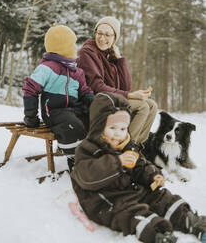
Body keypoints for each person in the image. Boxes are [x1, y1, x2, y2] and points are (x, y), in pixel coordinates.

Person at [71, 92, 206, 243]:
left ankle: (188, 219)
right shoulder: (87, 149)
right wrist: (118, 162)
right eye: (113, 128)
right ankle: (157, 234)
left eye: (123, 129)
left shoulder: (127, 145)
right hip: (107, 199)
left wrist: (153, 175)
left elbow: (141, 164)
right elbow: (87, 176)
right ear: (98, 126)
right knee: (128, 212)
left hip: (132, 189)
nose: (118, 134)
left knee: (160, 197)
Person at [22, 23, 94, 171]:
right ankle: (76, 160)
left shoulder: (77, 72)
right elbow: (30, 89)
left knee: (91, 121)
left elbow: (85, 91)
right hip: (53, 113)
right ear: (63, 48)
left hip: (74, 110)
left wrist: (92, 102)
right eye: (73, 45)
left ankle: (96, 156)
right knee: (72, 124)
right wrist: (31, 116)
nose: (76, 48)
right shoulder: (47, 68)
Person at [77, 16, 157, 146]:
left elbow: (126, 87)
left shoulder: (108, 55)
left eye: (108, 35)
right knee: (143, 107)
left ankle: (137, 146)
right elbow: (97, 86)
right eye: (100, 33)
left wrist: (119, 59)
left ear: (115, 38)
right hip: (94, 102)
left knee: (152, 105)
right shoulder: (87, 53)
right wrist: (131, 96)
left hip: (109, 99)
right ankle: (124, 146)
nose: (102, 38)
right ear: (95, 33)